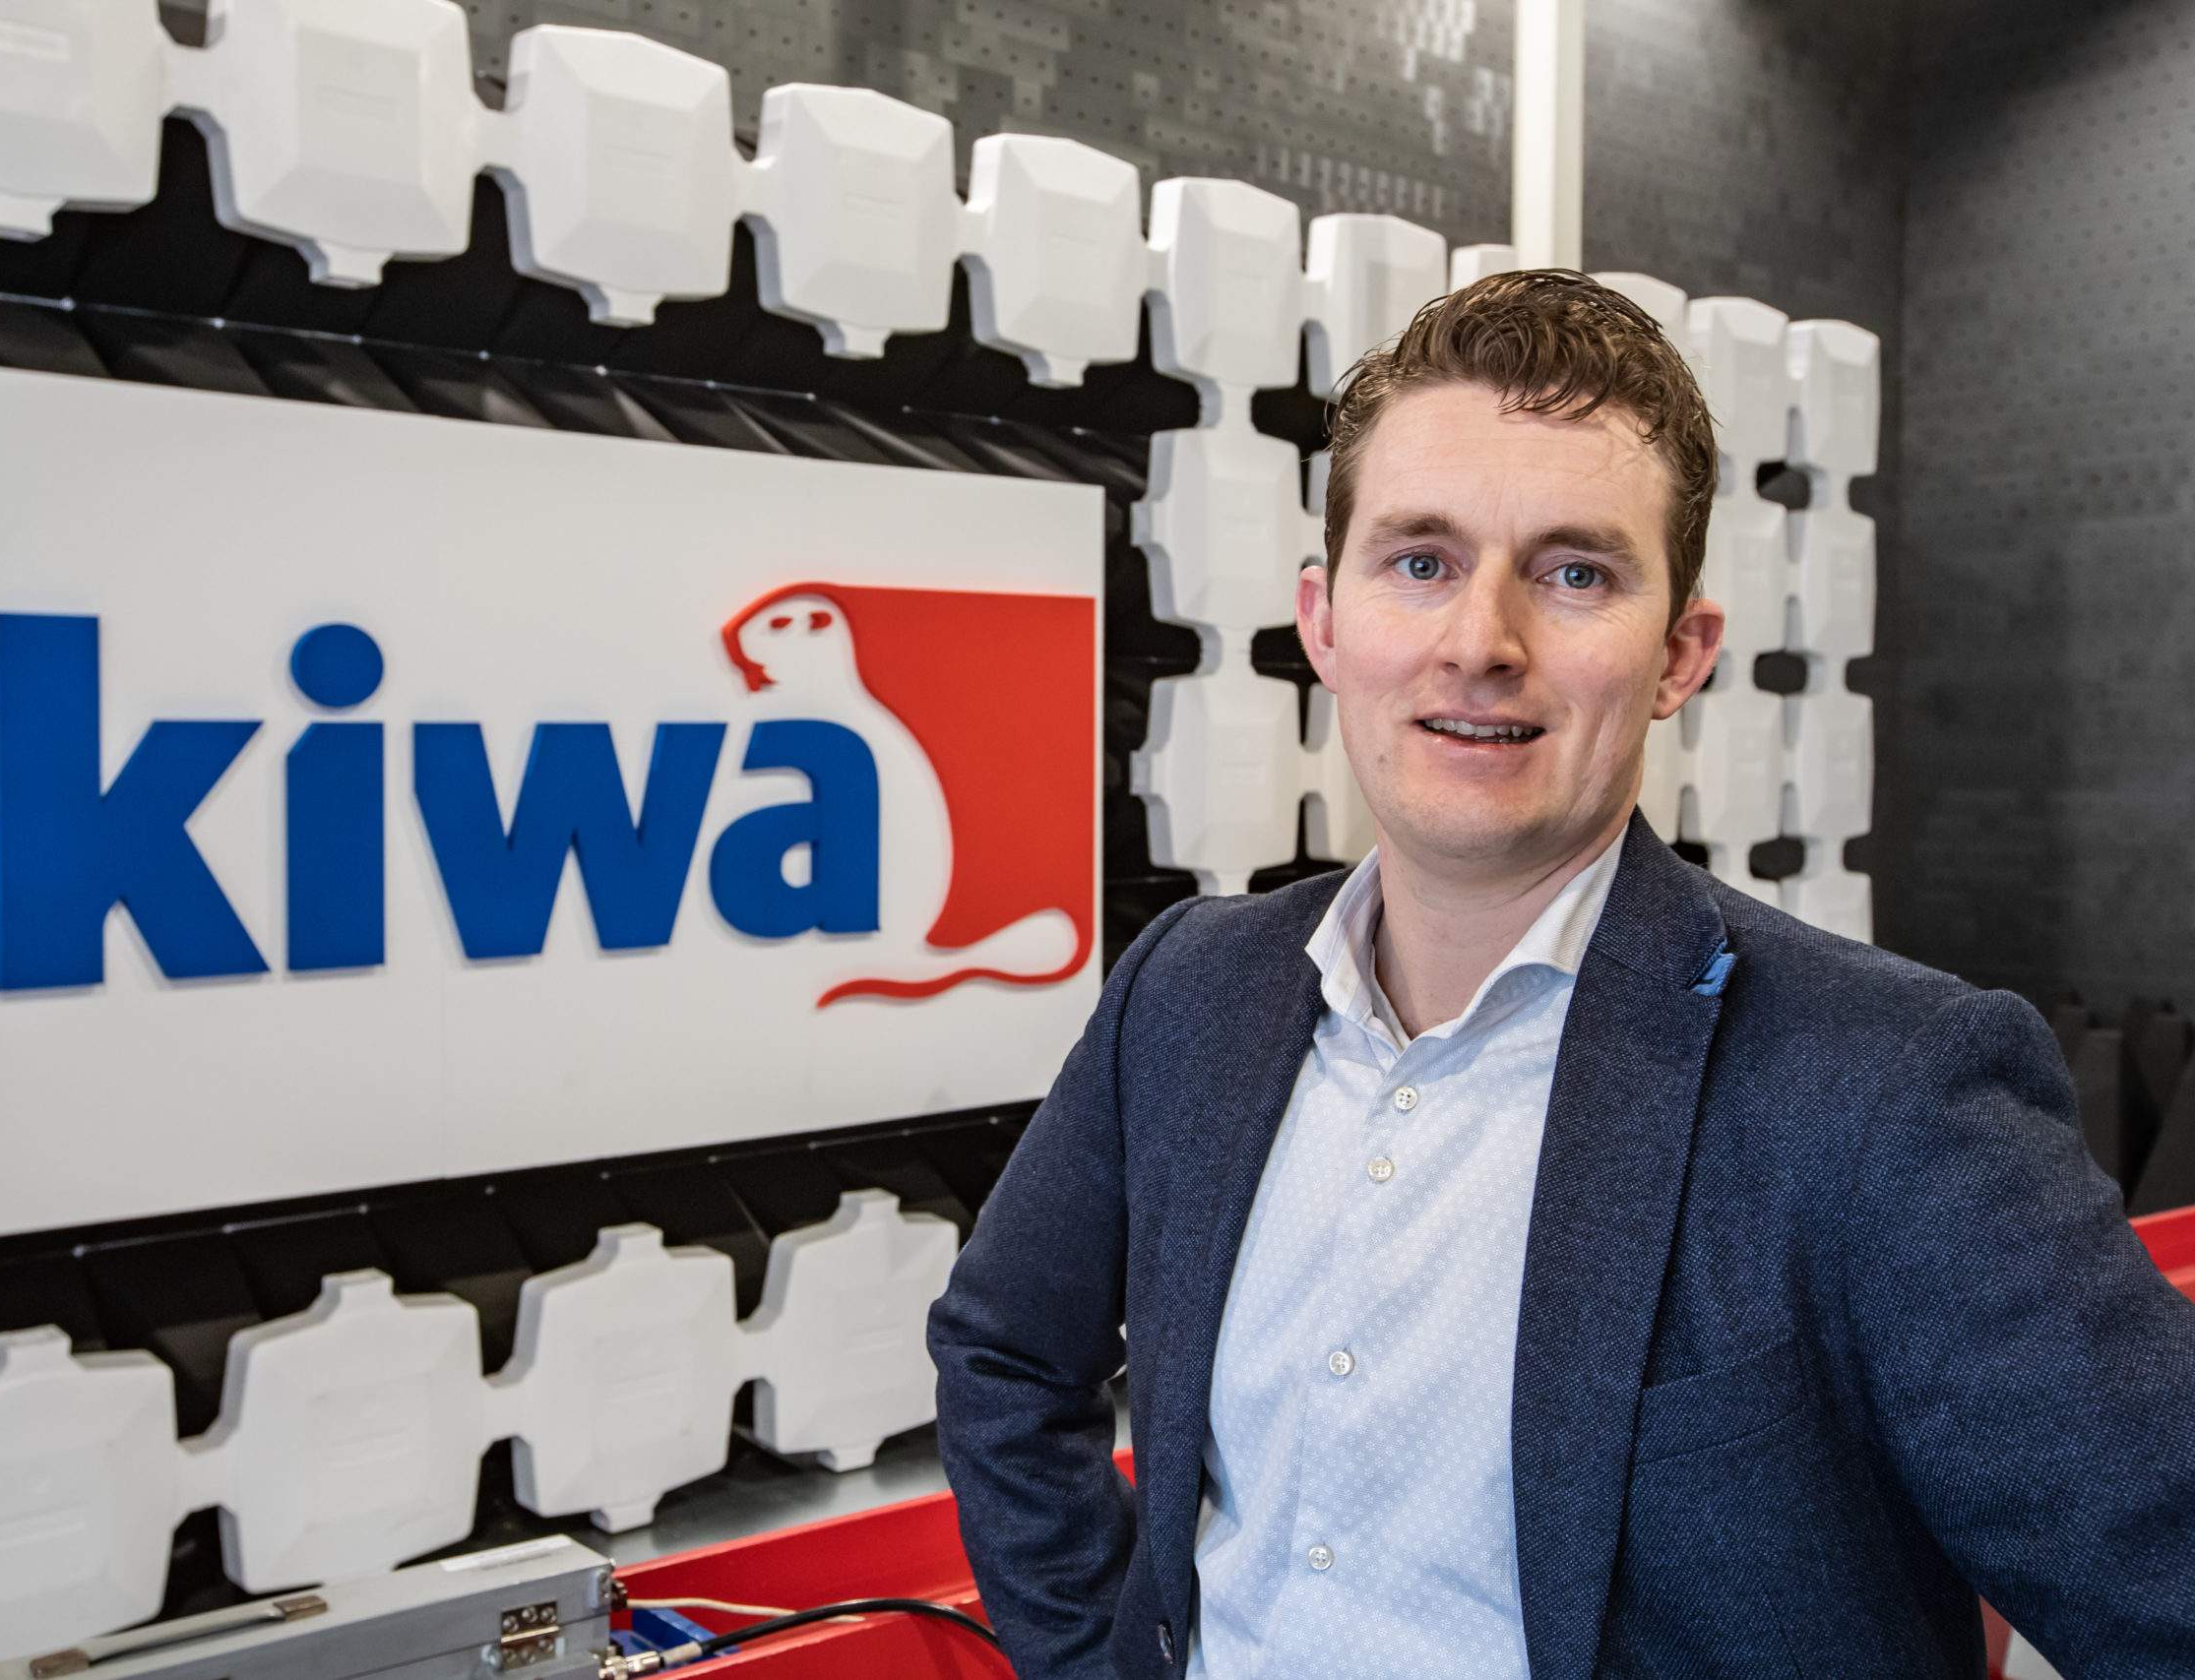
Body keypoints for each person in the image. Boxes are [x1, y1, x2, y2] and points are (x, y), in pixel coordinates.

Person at [926, 269, 2195, 1679]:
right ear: (1325, 623)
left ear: (1680, 655)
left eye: (1574, 573)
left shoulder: (1890, 1092)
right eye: (1420, 561)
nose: (1482, 642)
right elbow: (1003, 1353)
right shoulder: (1187, 990)